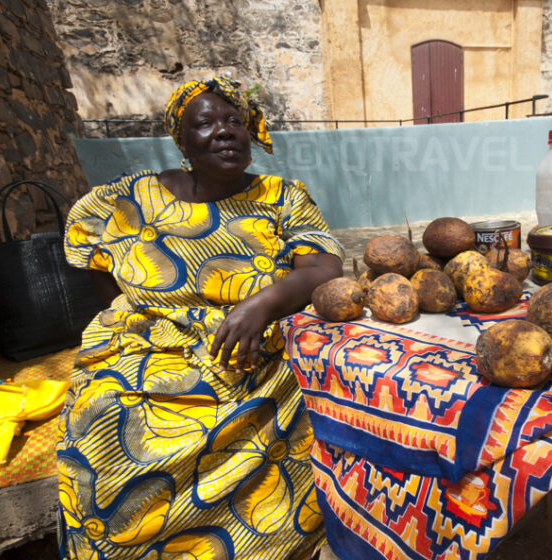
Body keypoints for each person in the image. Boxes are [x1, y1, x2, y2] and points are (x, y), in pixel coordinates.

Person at [57, 76, 344, 559]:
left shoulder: (282, 196)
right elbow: (93, 262)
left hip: (250, 352)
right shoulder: (130, 200)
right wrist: (136, 315)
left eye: (235, 121)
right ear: (182, 140)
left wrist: (261, 305)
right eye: (205, 123)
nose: (225, 131)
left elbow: (323, 267)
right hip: (148, 345)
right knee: (99, 414)